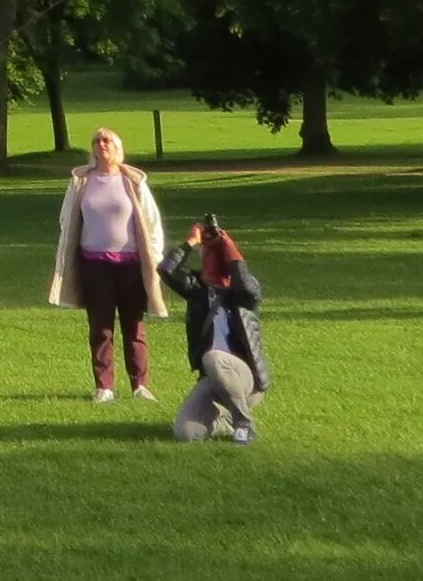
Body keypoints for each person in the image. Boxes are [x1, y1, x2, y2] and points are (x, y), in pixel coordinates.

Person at [48, 126, 168, 402]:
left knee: (134, 326)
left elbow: (152, 221)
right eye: (97, 141)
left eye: (107, 140)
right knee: (100, 327)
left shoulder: (132, 181)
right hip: (94, 265)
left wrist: (156, 255)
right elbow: (67, 219)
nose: (101, 144)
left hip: (130, 266)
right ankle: (105, 386)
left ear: (117, 148)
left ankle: (140, 385)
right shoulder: (82, 181)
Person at [160, 218, 269, 444]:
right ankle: (227, 420)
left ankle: (244, 424)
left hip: (246, 378)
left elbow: (246, 286)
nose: (212, 257)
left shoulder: (243, 292)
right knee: (186, 433)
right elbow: (166, 269)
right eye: (209, 252)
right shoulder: (197, 288)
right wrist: (191, 242)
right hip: (213, 379)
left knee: (213, 357)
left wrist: (228, 245)